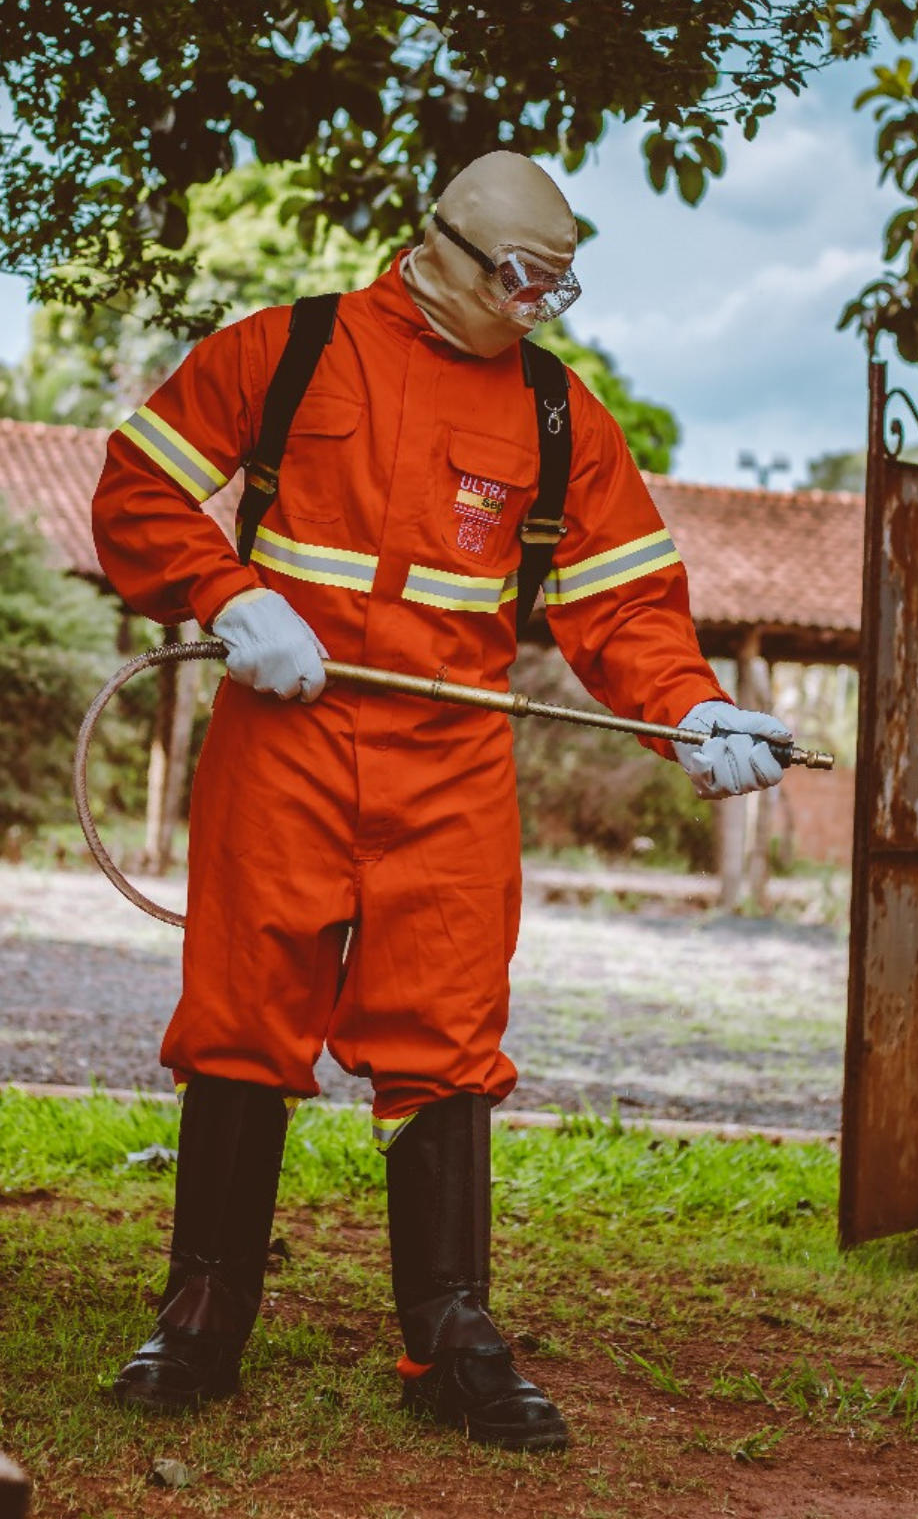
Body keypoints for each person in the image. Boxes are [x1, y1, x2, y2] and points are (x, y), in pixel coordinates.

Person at [89, 151, 790, 1452]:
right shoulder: (286, 351)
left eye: (560, 286)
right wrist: (231, 596)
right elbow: (136, 492)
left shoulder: (561, 418)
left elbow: (625, 607)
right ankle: (201, 1314)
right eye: (521, 278)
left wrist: (689, 711)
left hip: (453, 755)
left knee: (446, 1027)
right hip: (284, 739)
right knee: (245, 1005)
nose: (537, 306)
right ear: (444, 248)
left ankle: (449, 1331)